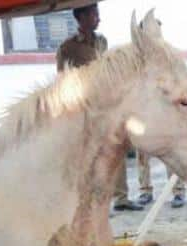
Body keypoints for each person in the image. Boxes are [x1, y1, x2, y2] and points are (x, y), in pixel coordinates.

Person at [57, 1, 143, 211]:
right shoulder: (67, 47)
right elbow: (62, 80)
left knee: (115, 146)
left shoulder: (102, 41)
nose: (98, 18)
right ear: (81, 17)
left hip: (104, 105)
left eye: (97, 14)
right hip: (82, 109)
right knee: (84, 156)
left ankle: (121, 198)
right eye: (94, 14)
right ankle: (82, 202)